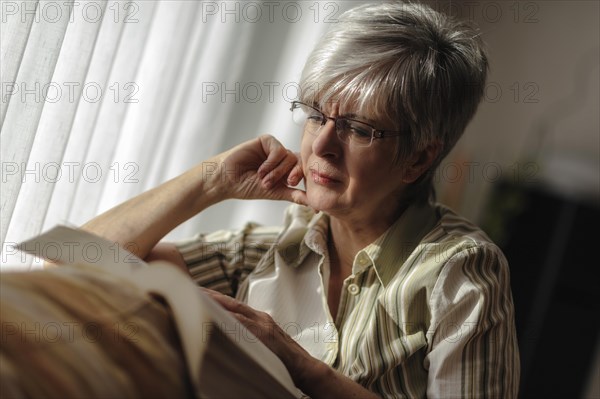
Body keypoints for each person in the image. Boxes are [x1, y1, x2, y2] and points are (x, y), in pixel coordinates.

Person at [42, 1, 520, 397]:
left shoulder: (459, 271)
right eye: (316, 114)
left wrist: (303, 367)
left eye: (358, 128)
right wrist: (210, 182)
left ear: (418, 158)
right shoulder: (273, 250)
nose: (323, 145)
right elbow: (69, 269)